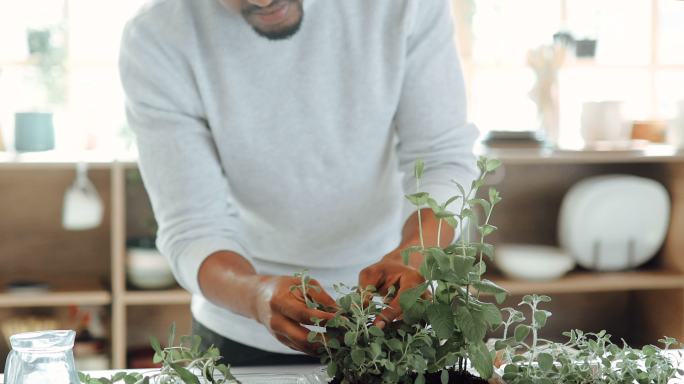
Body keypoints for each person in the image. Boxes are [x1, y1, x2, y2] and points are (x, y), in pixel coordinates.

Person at [119, 0, 478, 366]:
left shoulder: (406, 6)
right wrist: (254, 294)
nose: (261, 0)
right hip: (238, 329)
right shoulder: (158, 36)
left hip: (394, 321)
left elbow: (442, 159)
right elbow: (193, 223)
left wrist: (414, 255)